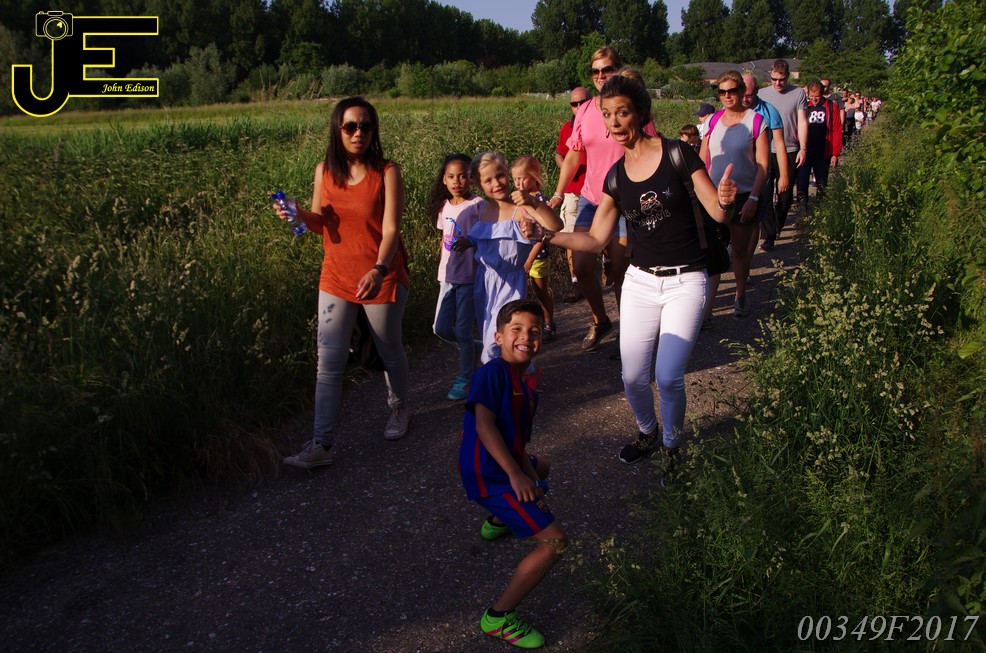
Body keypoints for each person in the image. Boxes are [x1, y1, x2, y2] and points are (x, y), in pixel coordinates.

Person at [525, 75, 738, 466]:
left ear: (640, 113)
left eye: (622, 112)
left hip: (687, 280)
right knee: (633, 377)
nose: (614, 122)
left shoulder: (678, 154)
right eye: (607, 115)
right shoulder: (616, 176)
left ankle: (672, 446)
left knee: (668, 376)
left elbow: (717, 212)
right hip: (641, 281)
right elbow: (595, 239)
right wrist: (549, 235)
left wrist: (726, 200)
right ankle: (647, 431)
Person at [280, 97, 412, 469]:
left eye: (366, 126)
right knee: (328, 362)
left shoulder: (386, 172)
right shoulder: (324, 171)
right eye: (350, 126)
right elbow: (321, 223)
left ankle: (400, 408)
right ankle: (322, 443)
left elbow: (391, 229)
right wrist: (295, 212)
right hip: (336, 276)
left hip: (381, 275)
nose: (358, 133)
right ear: (337, 130)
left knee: (389, 349)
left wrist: (379, 269)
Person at [458, 299, 565, 649]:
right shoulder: (492, 373)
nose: (526, 337)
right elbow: (485, 426)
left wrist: (531, 475)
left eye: (534, 332)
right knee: (555, 543)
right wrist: (517, 476)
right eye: (516, 330)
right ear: (498, 336)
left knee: (542, 467)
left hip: (503, 462)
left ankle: (498, 521)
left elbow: (518, 440)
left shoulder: (526, 380)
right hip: (489, 472)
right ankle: (499, 617)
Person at [548, 46, 645, 352]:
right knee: (581, 265)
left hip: (624, 200)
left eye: (608, 69)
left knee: (619, 269)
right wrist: (558, 192)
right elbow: (574, 154)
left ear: (619, 69)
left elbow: (649, 148)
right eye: (596, 71)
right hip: (592, 198)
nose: (601, 76)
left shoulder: (632, 105)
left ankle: (628, 334)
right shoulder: (587, 109)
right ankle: (601, 320)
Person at [454, 152, 562, 365]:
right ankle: (517, 374)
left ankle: (500, 378)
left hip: (510, 283)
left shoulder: (521, 209)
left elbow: (556, 225)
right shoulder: (484, 210)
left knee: (496, 341)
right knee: (494, 334)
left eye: (500, 175)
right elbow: (485, 238)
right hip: (484, 283)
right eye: (488, 180)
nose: (497, 183)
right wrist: (469, 241)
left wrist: (532, 202)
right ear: (478, 184)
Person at [700, 70, 769, 321]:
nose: (727, 96)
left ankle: (740, 295)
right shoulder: (713, 121)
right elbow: (702, 158)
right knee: (712, 252)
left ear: (742, 91)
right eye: (722, 92)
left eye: (732, 91)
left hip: (743, 195)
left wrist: (754, 198)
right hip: (714, 195)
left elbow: (763, 165)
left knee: (739, 251)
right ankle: (707, 309)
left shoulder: (756, 121)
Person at [429, 153, 485, 401]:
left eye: (462, 176)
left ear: (471, 178)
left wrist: (471, 242)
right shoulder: (445, 207)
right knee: (439, 328)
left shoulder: (479, 205)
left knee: (462, 329)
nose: (457, 181)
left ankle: (465, 378)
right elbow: (445, 239)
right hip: (447, 276)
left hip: (470, 277)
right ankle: (474, 347)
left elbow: (488, 237)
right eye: (451, 176)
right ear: (444, 179)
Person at [757, 59, 808, 251]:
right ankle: (769, 235)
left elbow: (802, 121)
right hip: (765, 150)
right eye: (774, 79)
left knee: (785, 195)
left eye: (782, 80)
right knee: (765, 193)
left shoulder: (798, 93)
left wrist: (803, 148)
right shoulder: (762, 94)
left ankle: (777, 225)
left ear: (788, 77)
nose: (778, 83)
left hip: (789, 149)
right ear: (770, 75)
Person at [742, 72, 788, 256]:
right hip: (739, 168)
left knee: (764, 203)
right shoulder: (730, 110)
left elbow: (780, 144)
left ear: (757, 92)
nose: (745, 99)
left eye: (749, 95)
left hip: (761, 168)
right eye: (742, 94)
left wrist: (784, 175)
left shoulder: (769, 111)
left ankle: (768, 236)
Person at [511, 155, 556, 342]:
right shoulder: (517, 200)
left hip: (537, 256)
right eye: (515, 179)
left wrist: (530, 259)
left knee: (540, 292)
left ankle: (548, 323)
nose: (518, 183)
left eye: (522, 178)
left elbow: (542, 235)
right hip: (520, 255)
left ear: (534, 176)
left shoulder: (539, 200)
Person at [554, 87, 589, 303]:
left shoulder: (601, 125)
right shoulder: (567, 128)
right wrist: (567, 168)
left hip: (596, 192)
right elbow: (559, 154)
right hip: (572, 191)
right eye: (574, 104)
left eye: (582, 102)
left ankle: (607, 264)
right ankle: (576, 282)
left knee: (604, 237)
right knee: (571, 237)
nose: (578, 107)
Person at [797, 80, 842, 209]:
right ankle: (802, 208)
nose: (814, 99)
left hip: (823, 152)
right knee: (802, 181)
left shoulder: (831, 107)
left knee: (822, 182)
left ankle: (820, 209)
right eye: (811, 96)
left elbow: (836, 130)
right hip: (806, 151)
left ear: (822, 94)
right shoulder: (805, 106)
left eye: (817, 97)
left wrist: (835, 153)